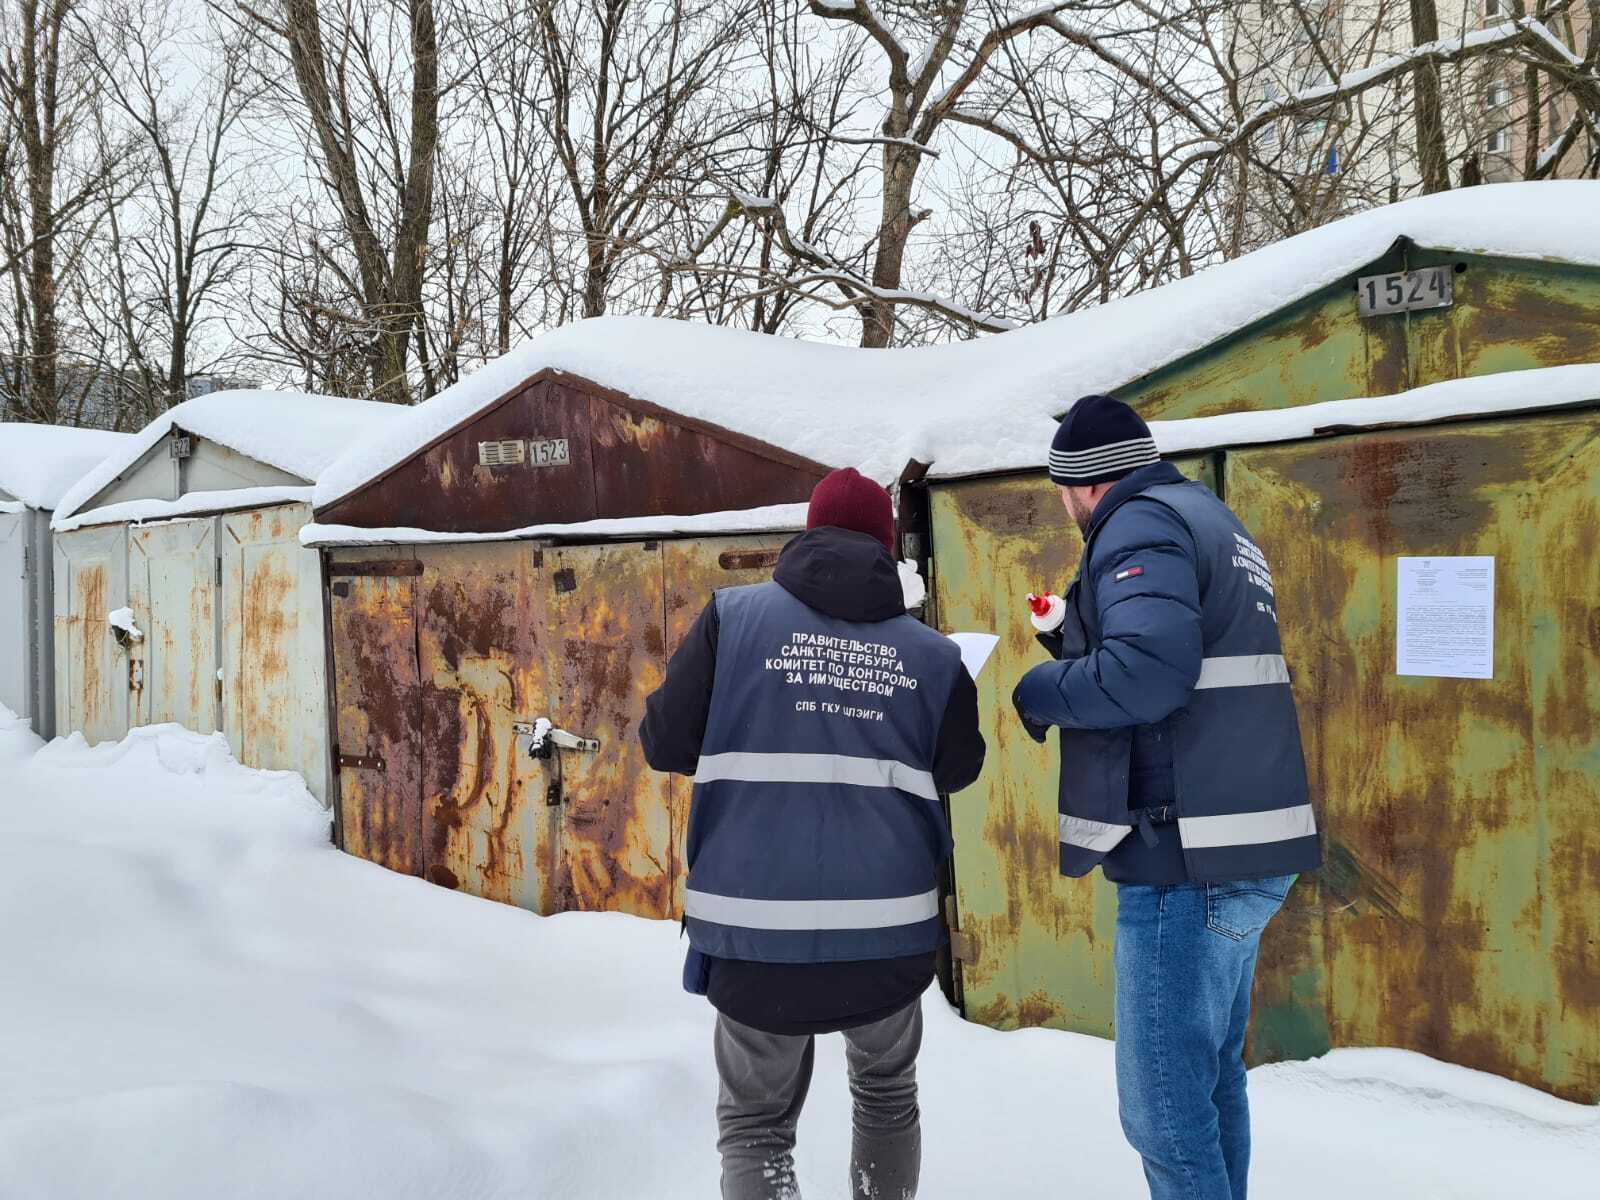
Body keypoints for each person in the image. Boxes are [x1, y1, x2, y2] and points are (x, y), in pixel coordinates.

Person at [640, 466, 985, 1200]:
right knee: (887, 1093)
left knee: (756, 1125)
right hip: (886, 939)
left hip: (753, 935)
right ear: (888, 550)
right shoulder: (934, 658)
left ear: (809, 533)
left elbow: (665, 744)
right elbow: (960, 770)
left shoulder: (731, 621)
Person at [1011, 395, 1321, 1200]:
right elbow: (1187, 659)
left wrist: (1041, 686)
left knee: (1164, 1114)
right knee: (1212, 1084)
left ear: (1081, 485)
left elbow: (1149, 675)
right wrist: (1072, 633)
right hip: (1243, 844)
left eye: (1061, 492)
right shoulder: (1212, 520)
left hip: (1186, 858)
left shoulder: (1137, 523)